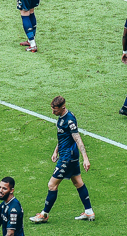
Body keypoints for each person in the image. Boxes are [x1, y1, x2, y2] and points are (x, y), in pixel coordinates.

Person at [29, 96, 94, 224]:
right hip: (68, 155)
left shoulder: (69, 120)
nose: (53, 112)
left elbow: (77, 138)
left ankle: (44, 214)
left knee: (52, 185)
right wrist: (55, 150)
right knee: (78, 182)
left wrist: (85, 158)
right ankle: (89, 211)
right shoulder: (63, 117)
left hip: (67, 157)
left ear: (63, 108)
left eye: (55, 110)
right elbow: (64, 137)